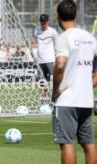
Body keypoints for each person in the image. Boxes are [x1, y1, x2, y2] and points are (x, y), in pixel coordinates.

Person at [52, 1, 97, 164]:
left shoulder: (64, 37)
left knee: (67, 144)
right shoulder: (89, 38)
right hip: (86, 100)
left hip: (67, 101)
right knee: (88, 144)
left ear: (57, 17)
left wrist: (56, 90)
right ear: (76, 15)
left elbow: (60, 64)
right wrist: (89, 84)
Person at [34, 13, 59, 96]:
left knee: (52, 79)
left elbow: (57, 44)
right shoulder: (36, 31)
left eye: (44, 21)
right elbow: (37, 43)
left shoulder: (53, 31)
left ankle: (53, 95)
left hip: (50, 60)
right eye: (41, 21)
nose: (43, 23)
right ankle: (43, 96)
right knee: (41, 79)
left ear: (48, 21)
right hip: (40, 60)